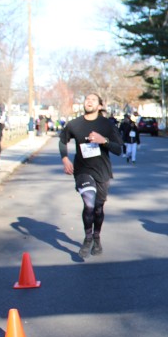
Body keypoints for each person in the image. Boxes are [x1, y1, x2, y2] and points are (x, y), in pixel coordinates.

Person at [59, 93, 123, 259]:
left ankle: (96, 237)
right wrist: (65, 159)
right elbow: (62, 140)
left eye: (93, 100)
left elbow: (119, 149)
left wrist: (104, 141)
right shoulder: (74, 124)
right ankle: (87, 238)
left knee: (98, 208)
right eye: (87, 99)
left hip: (102, 171)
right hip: (83, 170)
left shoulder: (107, 125)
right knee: (89, 204)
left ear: (99, 106)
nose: (89, 101)